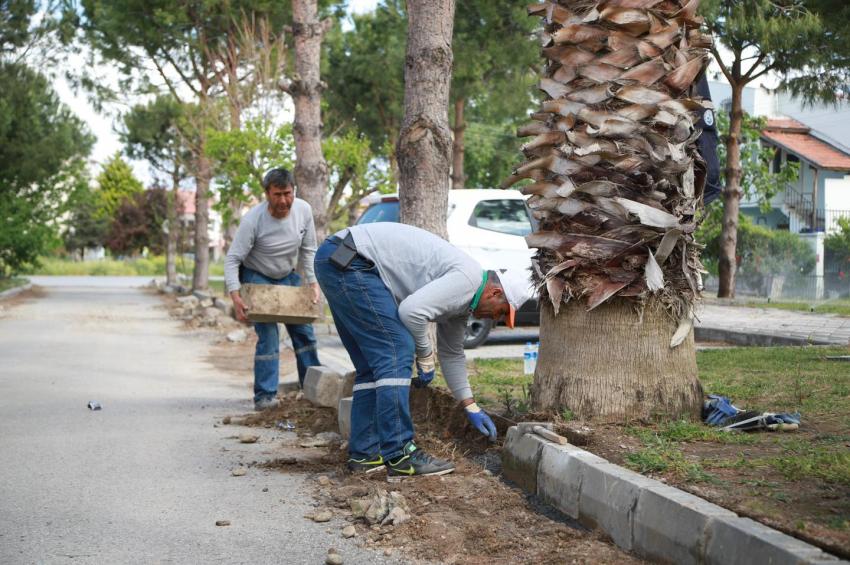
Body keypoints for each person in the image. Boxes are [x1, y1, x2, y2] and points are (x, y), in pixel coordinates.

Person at [314, 223, 532, 480]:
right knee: (397, 351)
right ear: (495, 293)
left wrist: (470, 405)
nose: (496, 319)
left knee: (372, 367)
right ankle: (400, 454)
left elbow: (452, 354)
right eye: (501, 312)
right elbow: (411, 312)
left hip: (337, 258)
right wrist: (425, 355)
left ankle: (365, 454)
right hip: (352, 261)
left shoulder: (463, 304)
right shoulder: (468, 278)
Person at [224, 167, 321, 411]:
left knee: (304, 333)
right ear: (267, 194)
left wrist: (313, 283)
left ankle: (312, 391)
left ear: (294, 191)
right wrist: (235, 295)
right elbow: (232, 259)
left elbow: (309, 250)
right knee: (269, 336)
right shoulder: (253, 220)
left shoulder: (304, 210)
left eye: (287, 194)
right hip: (257, 275)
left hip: (287, 275)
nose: (283, 201)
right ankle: (265, 397)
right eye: (277, 195)